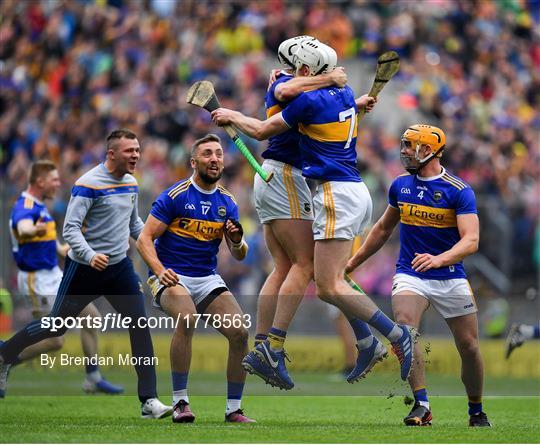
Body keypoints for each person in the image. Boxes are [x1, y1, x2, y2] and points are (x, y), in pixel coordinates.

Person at [212, 40, 416, 388]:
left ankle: (277, 346)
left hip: (313, 185)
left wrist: (231, 115)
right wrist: (343, 91)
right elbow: (293, 94)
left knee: (316, 274)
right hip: (298, 181)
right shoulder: (297, 86)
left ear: (305, 67)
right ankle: (277, 346)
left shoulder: (318, 92)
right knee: (311, 272)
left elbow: (275, 125)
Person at [0, 129, 171, 419]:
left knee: (139, 325)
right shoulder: (88, 184)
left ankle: (149, 400)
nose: (136, 156)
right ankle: (5, 353)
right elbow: (70, 230)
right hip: (83, 270)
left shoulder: (131, 183)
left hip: (119, 268)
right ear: (112, 154)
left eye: (138, 150)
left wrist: (156, 244)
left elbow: (133, 225)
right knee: (55, 328)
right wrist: (91, 256)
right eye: (130, 151)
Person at [242, 35, 375, 390]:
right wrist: (329, 80)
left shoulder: (298, 84)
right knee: (306, 265)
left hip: (279, 177)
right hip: (284, 175)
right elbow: (284, 100)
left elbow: (315, 110)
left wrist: (353, 103)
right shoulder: (286, 83)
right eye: (325, 70)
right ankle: (273, 348)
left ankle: (262, 346)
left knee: (286, 267)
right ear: (305, 67)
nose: (332, 74)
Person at [345, 124, 491, 427]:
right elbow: (383, 229)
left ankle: (475, 409)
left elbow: (471, 240)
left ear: (429, 150)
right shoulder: (401, 186)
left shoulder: (459, 190)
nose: (404, 151)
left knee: (469, 346)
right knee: (405, 330)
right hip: (411, 274)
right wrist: (351, 263)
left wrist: (439, 259)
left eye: (411, 146)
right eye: (404, 145)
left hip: (450, 275)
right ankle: (421, 404)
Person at [136, 134, 255, 423]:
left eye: (218, 154)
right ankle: (180, 403)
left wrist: (237, 241)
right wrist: (159, 269)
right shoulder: (175, 196)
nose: (214, 159)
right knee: (187, 317)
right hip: (171, 275)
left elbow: (239, 253)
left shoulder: (227, 201)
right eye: (207, 154)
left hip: (206, 278)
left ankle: (233, 410)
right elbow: (144, 239)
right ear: (194, 161)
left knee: (240, 332)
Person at [6, 160, 123, 396]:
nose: (58, 184)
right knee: (54, 340)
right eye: (54, 180)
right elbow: (24, 229)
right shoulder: (27, 205)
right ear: (40, 181)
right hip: (36, 279)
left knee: (91, 317)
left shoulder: (40, 206)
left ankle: (93, 377)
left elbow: (57, 248)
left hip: (53, 275)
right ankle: (5, 355)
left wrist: (84, 246)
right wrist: (42, 230)